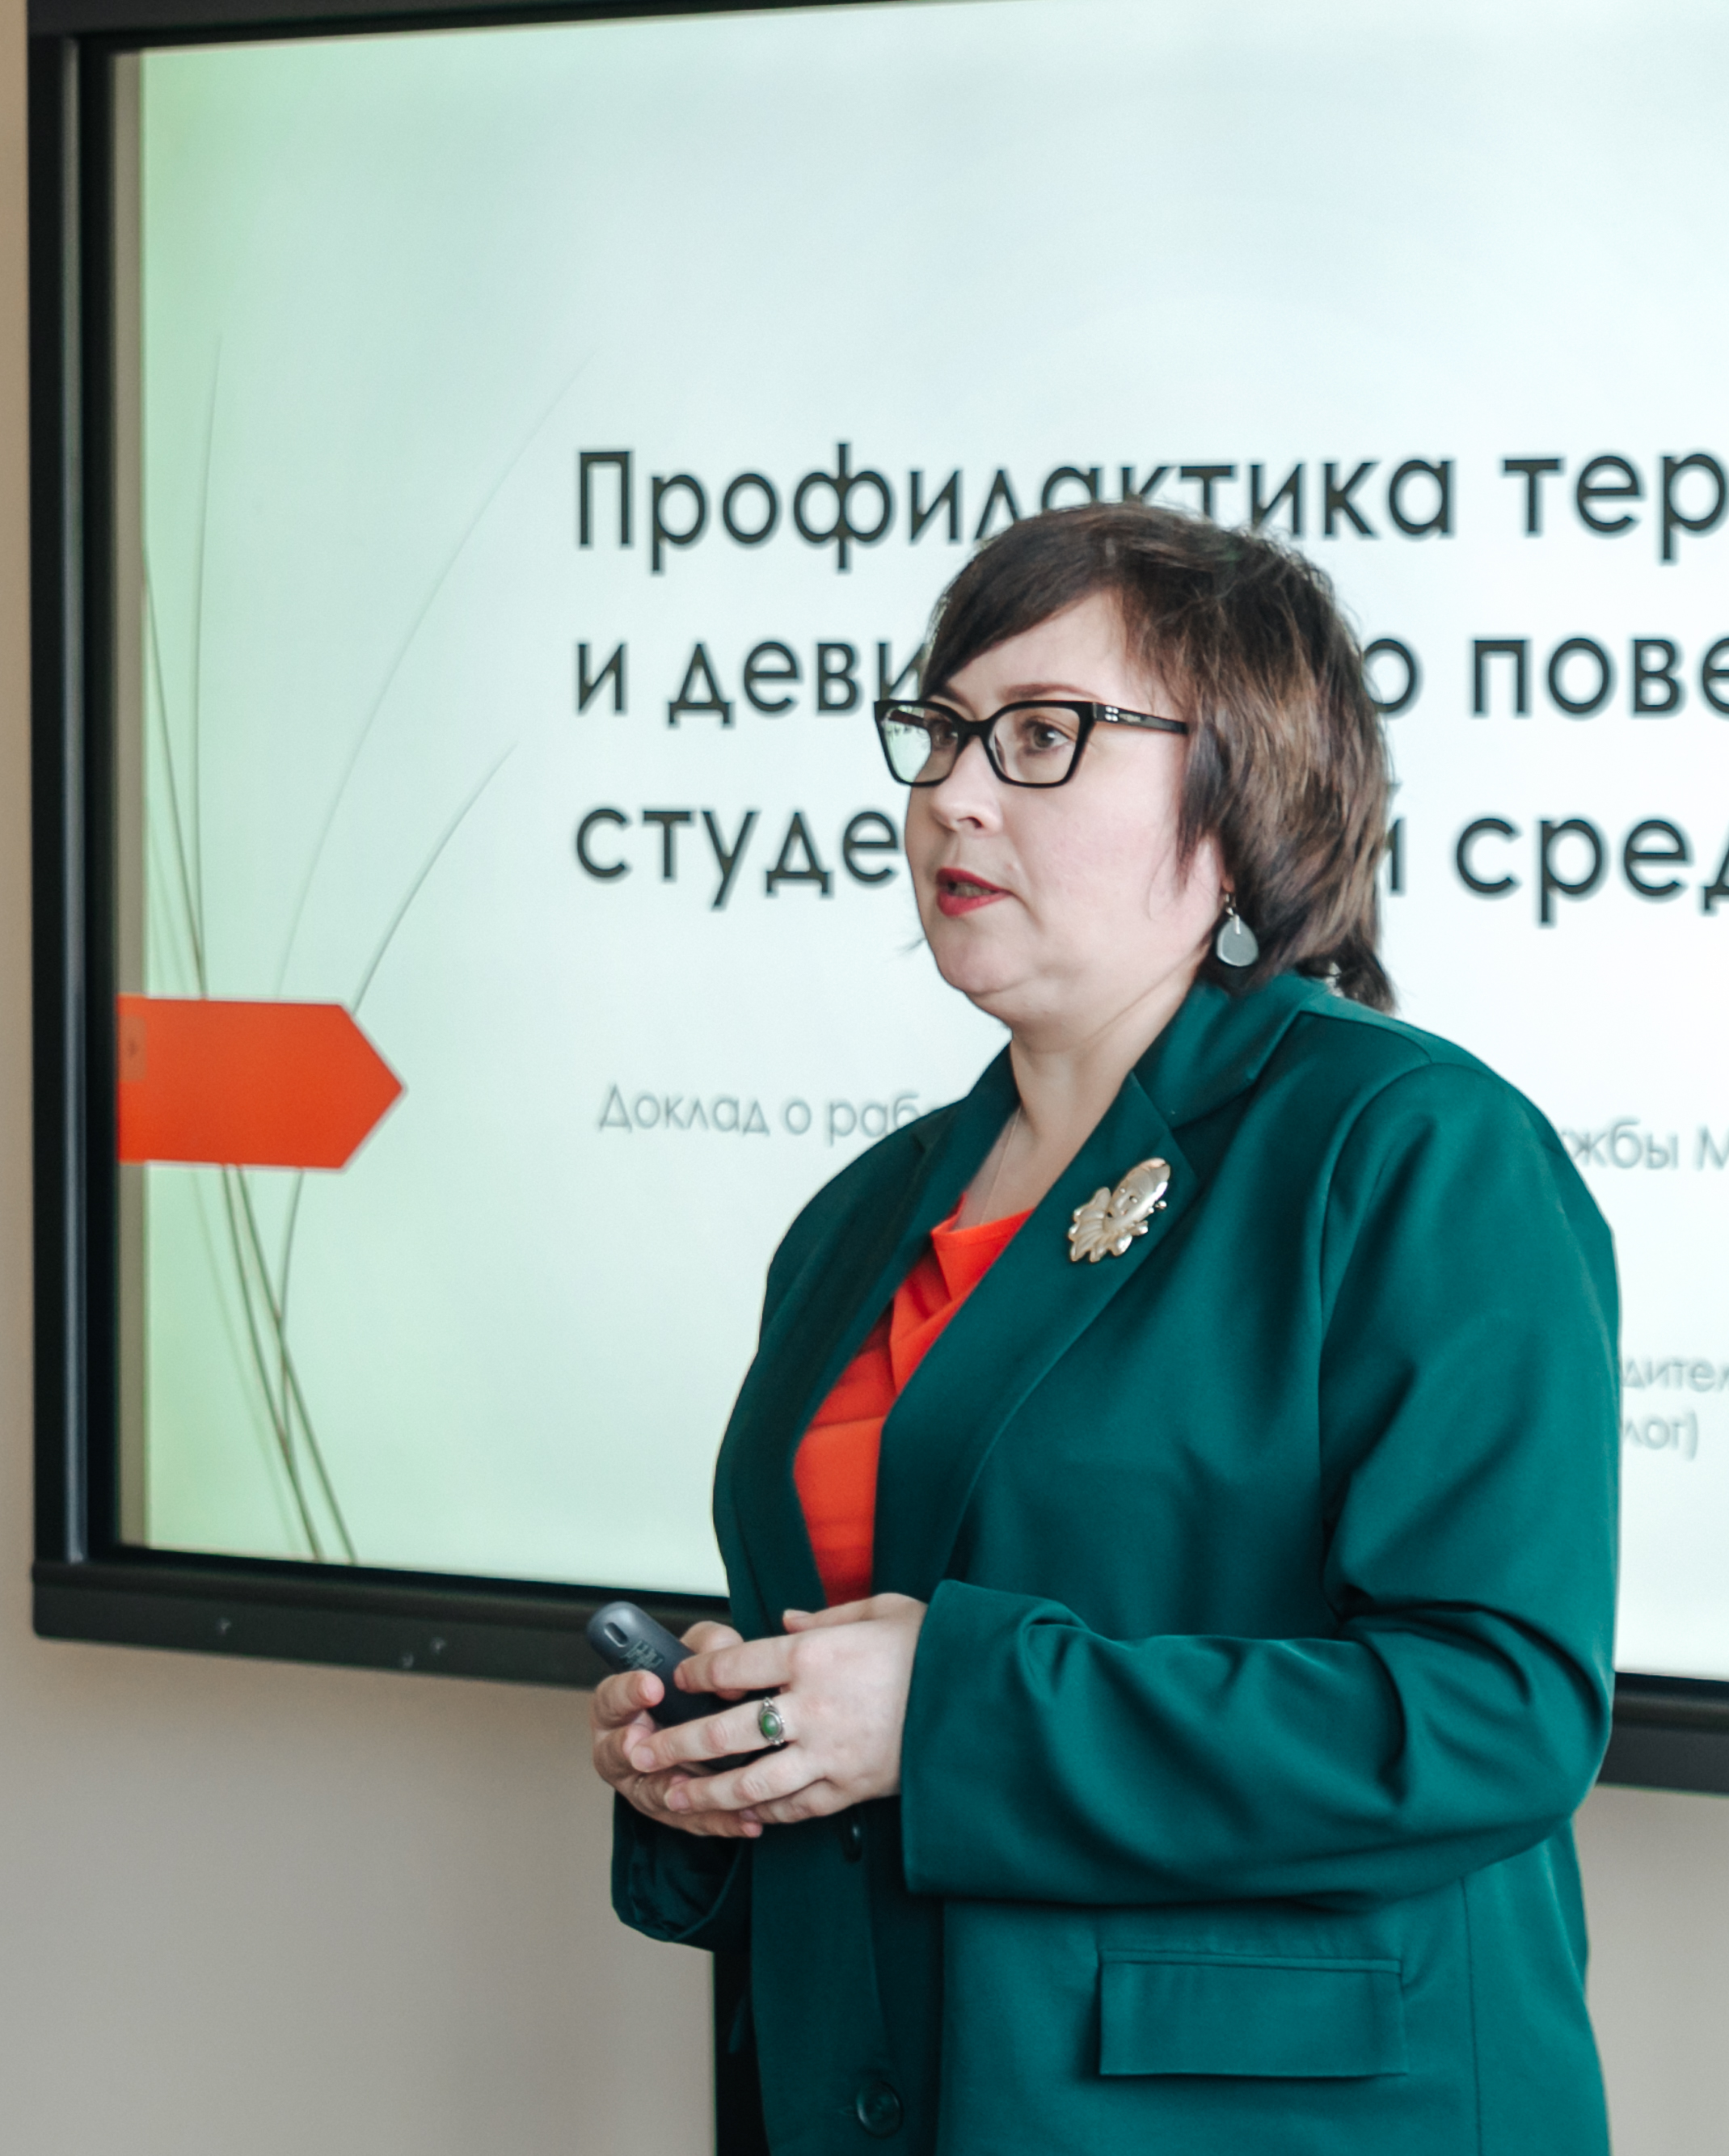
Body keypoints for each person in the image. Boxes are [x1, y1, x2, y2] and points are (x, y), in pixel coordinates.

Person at [588, 501, 1620, 2155]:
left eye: (1042, 735)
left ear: (1242, 797)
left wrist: (939, 1713)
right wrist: (736, 1750)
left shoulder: (1412, 1151)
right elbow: (862, 1721)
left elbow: (1491, 1713)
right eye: (939, 730)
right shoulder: (858, 1218)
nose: (955, 790)